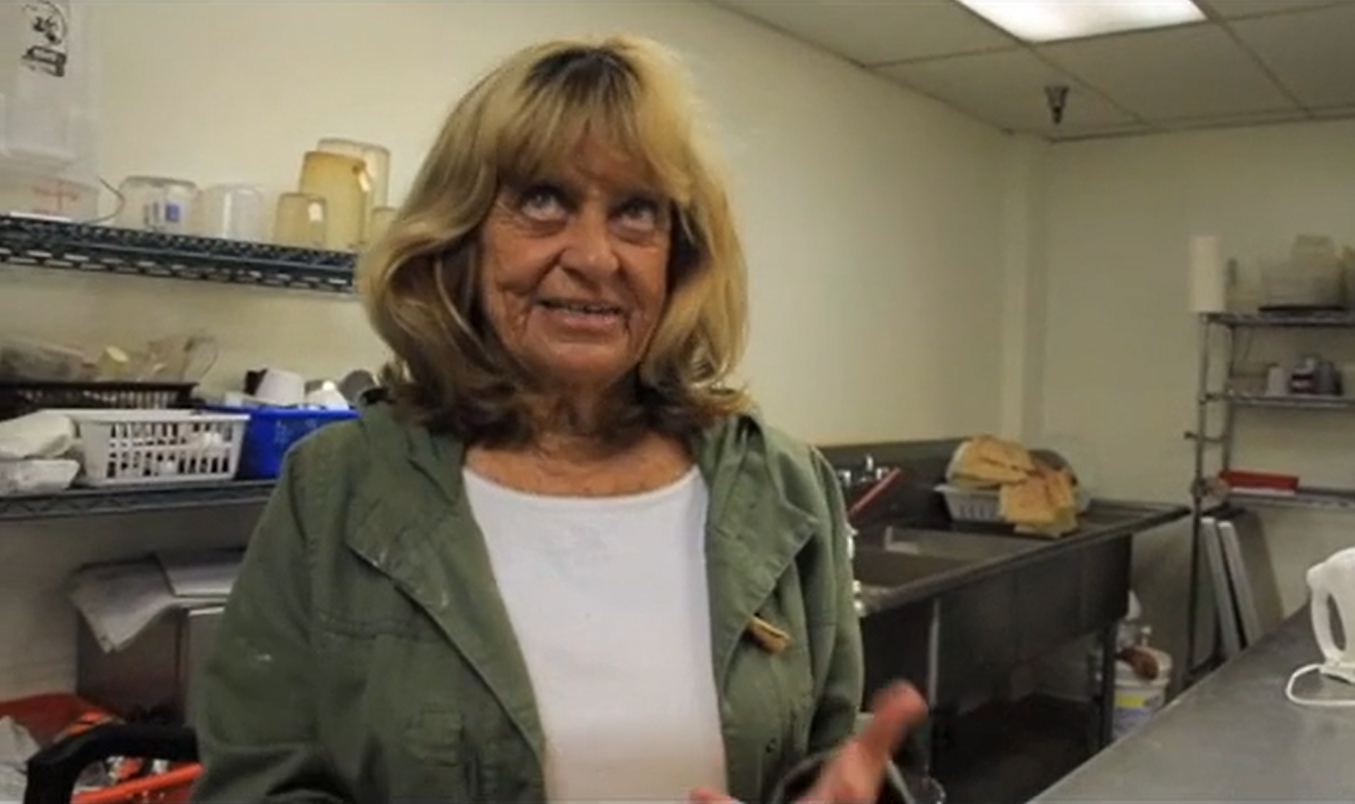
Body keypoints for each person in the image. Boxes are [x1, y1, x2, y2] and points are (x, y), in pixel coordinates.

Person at [191, 33, 926, 804]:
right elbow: (254, 786)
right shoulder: (336, 488)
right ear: (462, 236)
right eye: (543, 201)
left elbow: (826, 750)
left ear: (677, 256)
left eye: (636, 212)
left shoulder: (783, 489)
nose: (594, 257)